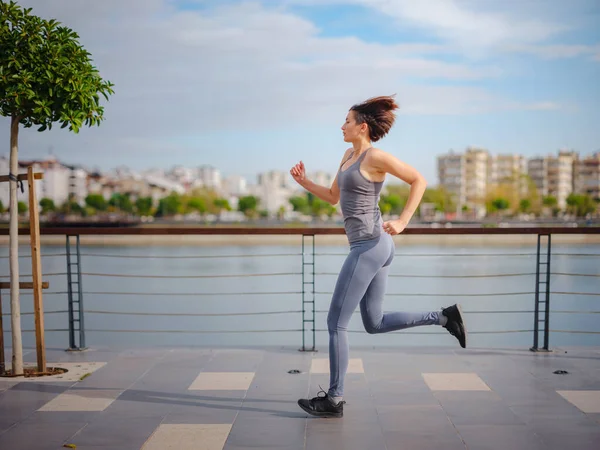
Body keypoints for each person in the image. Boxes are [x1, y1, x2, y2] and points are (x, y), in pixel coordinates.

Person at [290, 95, 467, 419]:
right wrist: (304, 183)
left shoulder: (376, 157)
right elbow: (333, 197)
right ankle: (444, 317)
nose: (341, 125)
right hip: (374, 247)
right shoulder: (347, 156)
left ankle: (334, 398)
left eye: (346, 120)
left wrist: (402, 221)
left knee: (335, 323)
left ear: (362, 126)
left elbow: (419, 180)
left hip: (369, 246)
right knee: (374, 323)